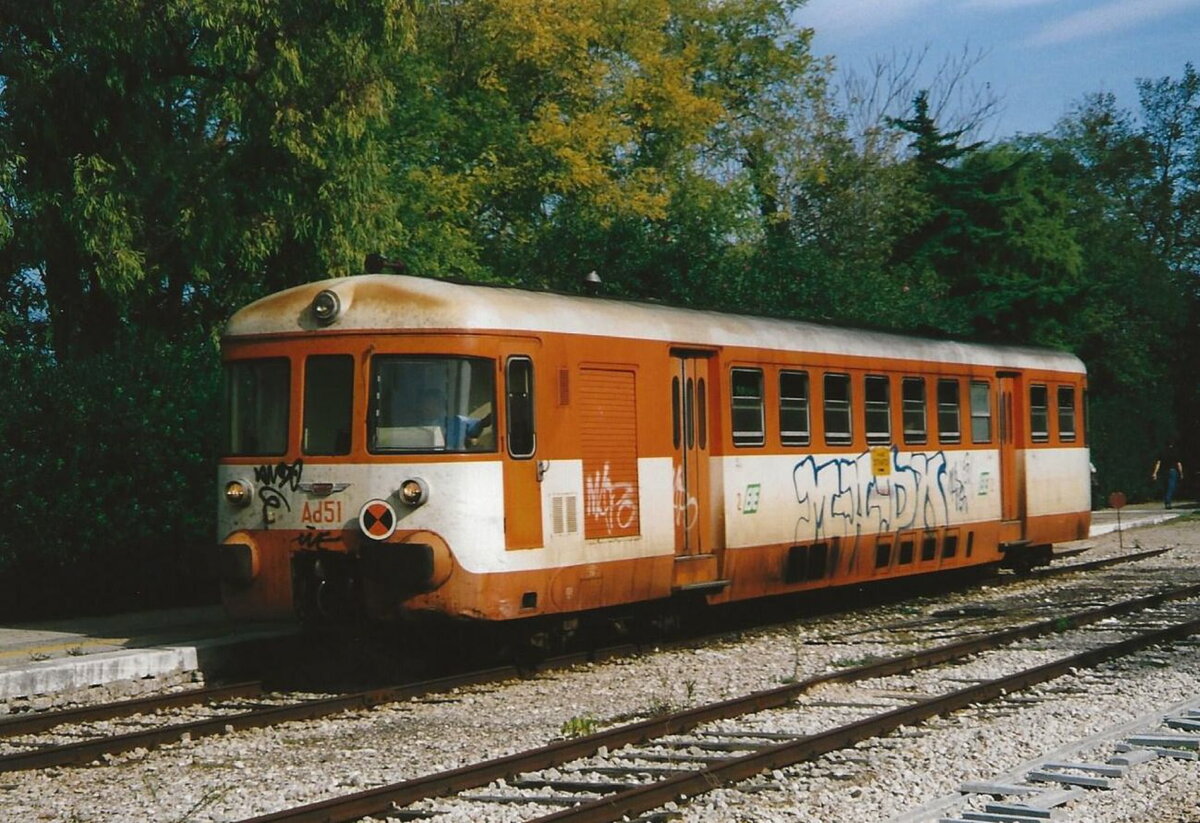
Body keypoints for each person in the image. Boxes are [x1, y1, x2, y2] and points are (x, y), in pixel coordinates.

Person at [416, 391, 490, 450]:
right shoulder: (414, 425)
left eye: (434, 404)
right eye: (426, 404)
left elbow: (480, 424)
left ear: (442, 406)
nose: (428, 407)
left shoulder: (456, 422)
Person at [1151, 442, 1183, 509]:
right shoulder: (1175, 452)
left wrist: (1155, 473)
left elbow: (1158, 463)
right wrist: (1181, 473)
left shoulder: (1162, 453)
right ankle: (1168, 501)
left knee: (1166, 487)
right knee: (1171, 487)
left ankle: (1166, 500)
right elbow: (1179, 464)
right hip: (1172, 471)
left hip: (1164, 471)